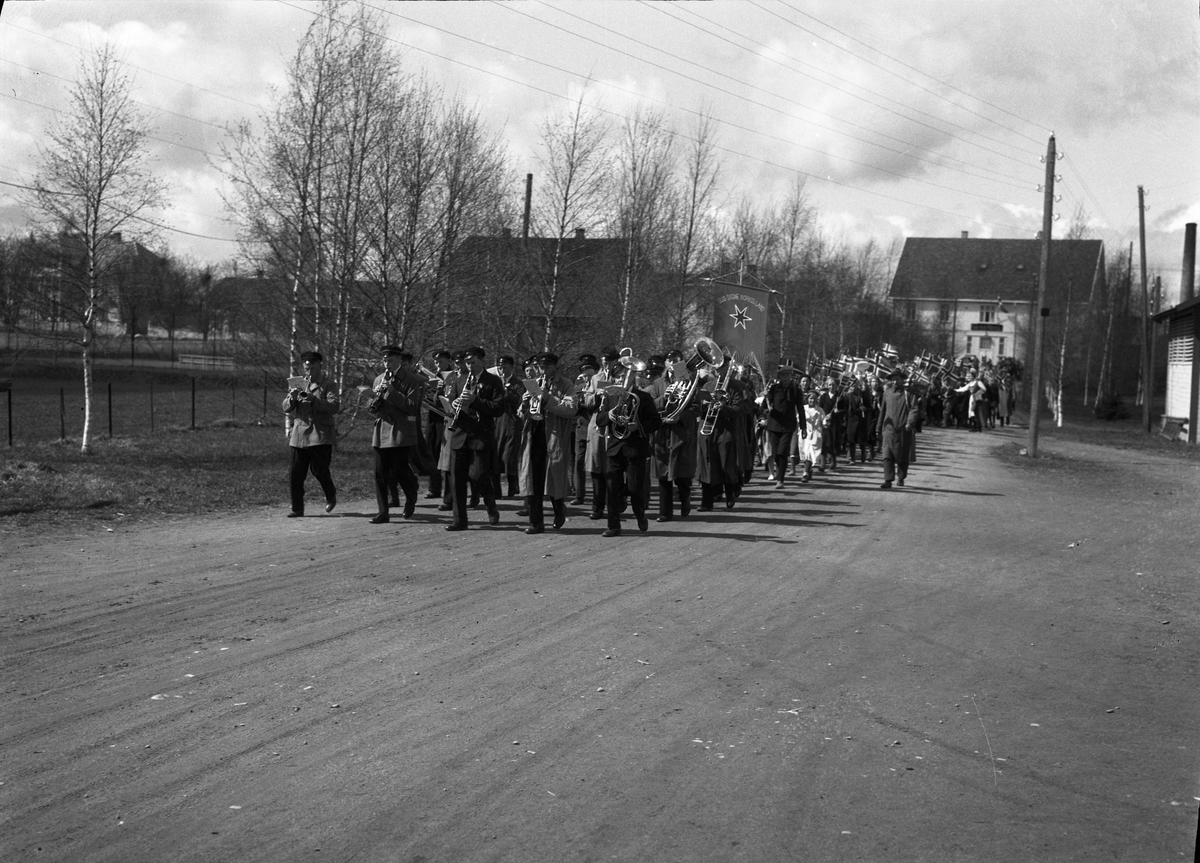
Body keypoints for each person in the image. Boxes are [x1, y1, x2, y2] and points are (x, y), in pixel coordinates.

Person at [595, 358, 662, 536]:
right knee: (611, 487)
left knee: (634, 488)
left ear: (633, 378)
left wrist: (638, 426)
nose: (620, 381)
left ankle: (640, 514)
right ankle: (613, 525)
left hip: (635, 448)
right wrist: (609, 414)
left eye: (624, 377)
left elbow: (656, 422)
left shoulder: (643, 397)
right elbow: (599, 419)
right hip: (615, 447)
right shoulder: (609, 397)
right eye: (617, 378)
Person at [444, 347, 504, 531]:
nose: (469, 366)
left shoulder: (493, 381)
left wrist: (475, 401)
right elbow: (451, 402)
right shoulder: (459, 379)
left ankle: (490, 505)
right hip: (460, 434)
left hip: (480, 435)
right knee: (457, 479)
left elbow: (498, 408)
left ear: (481, 361)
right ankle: (459, 520)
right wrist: (453, 404)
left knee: (479, 475)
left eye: (473, 362)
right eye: (467, 363)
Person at [518, 352, 578, 534]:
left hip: (554, 436)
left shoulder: (566, 384)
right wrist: (525, 403)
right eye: (540, 367)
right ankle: (536, 523)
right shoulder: (533, 383)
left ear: (555, 367)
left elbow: (571, 409)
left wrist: (548, 398)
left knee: (554, 477)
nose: (542, 371)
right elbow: (520, 413)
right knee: (533, 478)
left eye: (546, 367)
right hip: (534, 434)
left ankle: (559, 509)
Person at [366, 346, 423, 524]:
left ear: (399, 360)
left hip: (400, 431)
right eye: (384, 360)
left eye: (390, 360)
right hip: (381, 430)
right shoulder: (378, 380)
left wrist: (391, 391)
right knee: (379, 472)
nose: (387, 364)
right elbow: (371, 409)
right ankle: (383, 512)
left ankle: (411, 495)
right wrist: (373, 400)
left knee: (400, 470)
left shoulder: (411, 380)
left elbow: (412, 406)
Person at [283, 350, 340, 517]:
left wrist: (314, 400)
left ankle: (330, 494)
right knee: (296, 473)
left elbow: (334, 406)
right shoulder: (299, 383)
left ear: (319, 366)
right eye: (307, 369)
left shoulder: (329, 385)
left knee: (319, 470)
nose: (309, 372)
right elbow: (286, 407)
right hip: (300, 434)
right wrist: (292, 398)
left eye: (313, 368)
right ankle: (297, 508)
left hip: (319, 434)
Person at [652, 359, 701, 521]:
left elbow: (696, 408)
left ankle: (685, 498)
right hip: (663, 431)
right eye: (670, 363)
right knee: (663, 473)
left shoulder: (690, 383)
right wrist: (664, 399)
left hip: (681, 433)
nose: (674, 367)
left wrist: (680, 417)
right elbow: (650, 403)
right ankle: (665, 512)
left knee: (682, 473)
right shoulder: (658, 383)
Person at [763, 359, 805, 490]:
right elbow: (765, 406)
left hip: (788, 426)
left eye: (788, 375)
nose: (786, 378)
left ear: (791, 376)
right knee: (775, 453)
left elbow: (801, 409)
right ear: (780, 377)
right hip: (774, 425)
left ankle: (780, 479)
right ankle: (779, 469)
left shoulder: (796, 390)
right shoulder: (774, 389)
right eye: (784, 375)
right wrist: (766, 408)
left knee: (782, 452)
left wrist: (803, 427)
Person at [877, 368, 916, 489]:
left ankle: (901, 477)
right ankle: (888, 480)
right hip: (888, 429)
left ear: (902, 380)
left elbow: (914, 409)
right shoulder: (886, 393)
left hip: (904, 429)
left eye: (897, 379)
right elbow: (882, 412)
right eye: (892, 380)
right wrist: (878, 427)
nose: (894, 382)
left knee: (903, 455)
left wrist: (910, 422)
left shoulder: (909, 393)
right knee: (887, 455)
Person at [425, 349, 455, 500]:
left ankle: (448, 490)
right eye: (436, 362)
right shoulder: (433, 376)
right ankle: (434, 487)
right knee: (432, 451)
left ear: (449, 361)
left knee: (445, 452)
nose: (438, 365)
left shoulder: (453, 376)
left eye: (441, 361)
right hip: (433, 416)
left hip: (446, 416)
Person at [493, 355, 524, 500]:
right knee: (496, 456)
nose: (502, 370)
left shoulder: (518, 383)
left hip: (512, 423)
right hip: (497, 423)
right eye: (500, 367)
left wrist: (506, 393)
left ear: (511, 367)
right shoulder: (495, 382)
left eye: (505, 367)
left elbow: (519, 400)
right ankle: (496, 490)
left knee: (510, 455)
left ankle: (513, 486)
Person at [570, 354, 599, 506]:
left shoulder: (600, 385)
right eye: (584, 375)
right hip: (581, 427)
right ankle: (579, 494)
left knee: (597, 462)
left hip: (596, 428)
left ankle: (599, 495)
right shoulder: (578, 387)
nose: (587, 378)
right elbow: (574, 406)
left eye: (589, 375)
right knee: (579, 461)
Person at [799, 391, 825, 483]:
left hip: (815, 434)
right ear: (808, 399)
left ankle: (805, 473)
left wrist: (827, 420)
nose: (812, 400)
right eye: (810, 398)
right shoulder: (803, 409)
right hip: (804, 433)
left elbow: (824, 423)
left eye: (814, 398)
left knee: (811, 453)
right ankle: (809, 470)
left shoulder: (820, 410)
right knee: (805, 453)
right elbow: (798, 419)